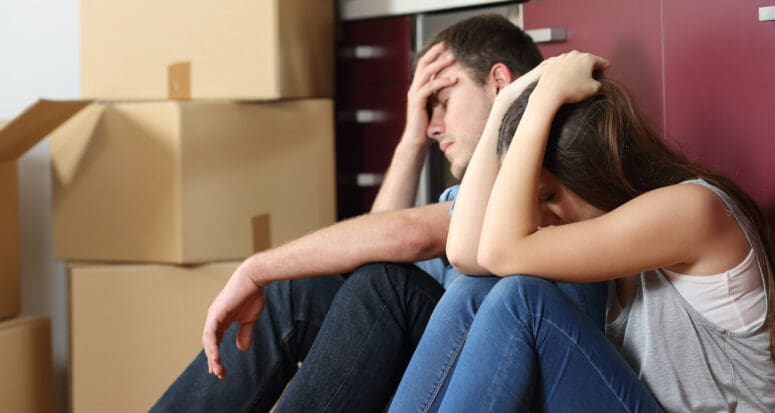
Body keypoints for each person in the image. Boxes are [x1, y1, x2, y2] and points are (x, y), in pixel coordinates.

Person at [152, 17, 603, 412]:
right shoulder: (471, 187)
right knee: (302, 291)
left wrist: (255, 269)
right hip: (447, 358)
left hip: (506, 377)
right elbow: (369, 253)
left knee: (383, 287)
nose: (433, 125)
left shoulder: (539, 168)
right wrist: (410, 141)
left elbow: (406, 239)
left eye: (442, 102)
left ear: (500, 83)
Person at [389, 51, 775, 412]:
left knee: (522, 299)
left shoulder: (692, 210)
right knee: (474, 289)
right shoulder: (607, 235)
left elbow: (498, 251)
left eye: (549, 196)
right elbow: (466, 252)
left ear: (596, 170)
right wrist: (506, 104)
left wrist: (543, 102)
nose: (537, 219)